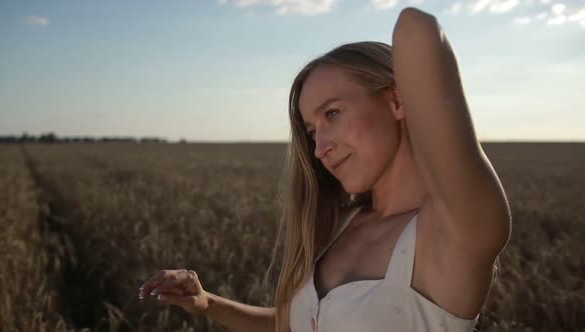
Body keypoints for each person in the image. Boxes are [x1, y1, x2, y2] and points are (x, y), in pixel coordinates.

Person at [138, 6, 511, 332]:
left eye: (332, 113)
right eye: (312, 130)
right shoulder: (341, 223)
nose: (319, 148)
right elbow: (292, 325)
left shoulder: (457, 229)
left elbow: (417, 30)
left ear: (397, 99)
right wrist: (208, 303)